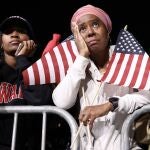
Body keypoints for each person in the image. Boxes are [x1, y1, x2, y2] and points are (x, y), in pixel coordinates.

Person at [52, 4, 150, 150]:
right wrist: (82, 57)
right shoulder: (78, 64)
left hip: (123, 146)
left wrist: (111, 105)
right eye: (83, 29)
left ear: (108, 31)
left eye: (96, 24)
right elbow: (62, 102)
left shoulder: (127, 58)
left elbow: (148, 93)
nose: (90, 32)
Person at [0, 16, 55, 150]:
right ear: (1, 43)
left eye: (20, 31)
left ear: (31, 42)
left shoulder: (41, 70)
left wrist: (22, 59)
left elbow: (39, 100)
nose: (14, 34)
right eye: (8, 32)